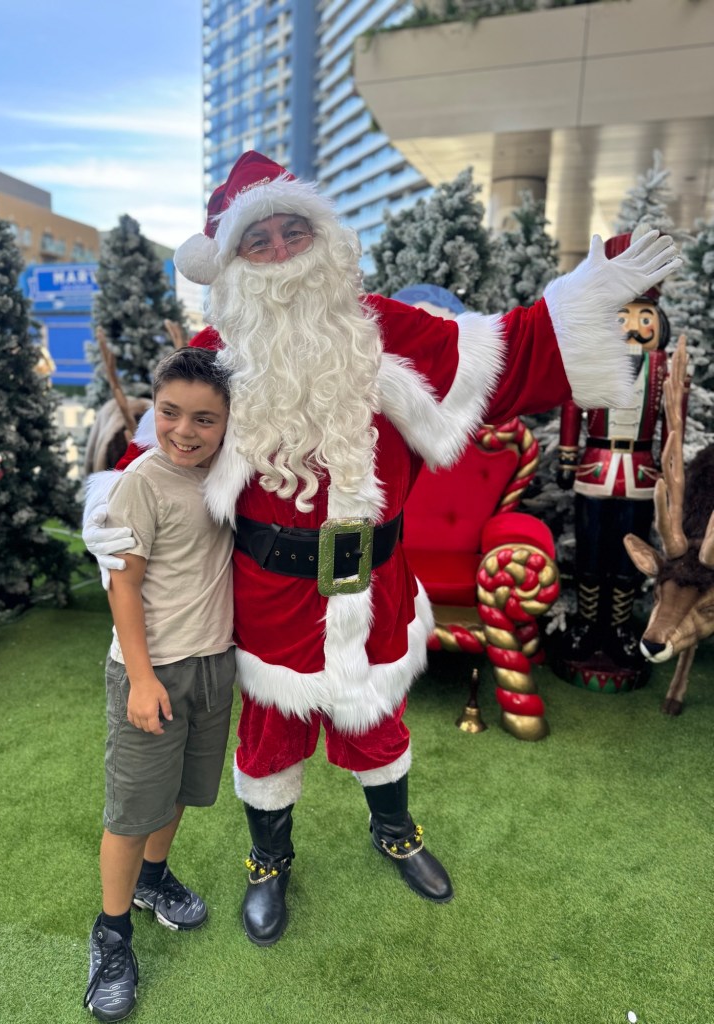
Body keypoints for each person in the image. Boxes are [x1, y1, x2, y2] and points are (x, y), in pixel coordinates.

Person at [83, 151, 681, 949]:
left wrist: (583, 297)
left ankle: (395, 832)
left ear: (323, 238)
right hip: (266, 588)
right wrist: (111, 510)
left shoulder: (388, 328)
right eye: (259, 239)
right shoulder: (217, 348)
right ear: (231, 259)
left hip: (376, 581)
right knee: (269, 733)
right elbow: (163, 446)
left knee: (379, 722)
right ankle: (269, 861)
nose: (281, 250)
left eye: (295, 230)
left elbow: (505, 355)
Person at [84, 346, 235, 1022]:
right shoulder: (142, 481)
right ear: (154, 410)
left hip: (212, 663)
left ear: (228, 423)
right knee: (131, 811)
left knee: (178, 793)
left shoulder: (228, 474)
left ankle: (153, 879)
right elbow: (124, 586)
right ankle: (112, 935)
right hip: (151, 670)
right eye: (171, 413)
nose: (185, 430)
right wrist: (142, 679)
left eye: (205, 418)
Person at [556, 226, 683, 671]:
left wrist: (672, 467)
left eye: (644, 318)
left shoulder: (666, 367)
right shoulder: (591, 357)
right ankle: (587, 623)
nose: (633, 327)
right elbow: (571, 404)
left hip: (642, 472)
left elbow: (674, 420)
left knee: (631, 553)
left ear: (659, 322)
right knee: (590, 551)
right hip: (596, 466)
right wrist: (567, 454)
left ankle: (621, 627)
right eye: (623, 317)